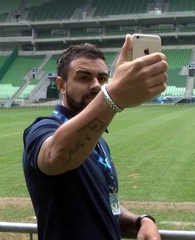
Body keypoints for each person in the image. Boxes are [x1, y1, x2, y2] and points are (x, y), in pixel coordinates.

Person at [22, 34, 168, 240]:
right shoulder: (42, 129)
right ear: (61, 85)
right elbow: (55, 155)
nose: (96, 85)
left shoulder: (97, 139)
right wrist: (114, 97)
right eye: (84, 77)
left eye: (102, 78)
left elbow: (105, 207)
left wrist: (140, 220)